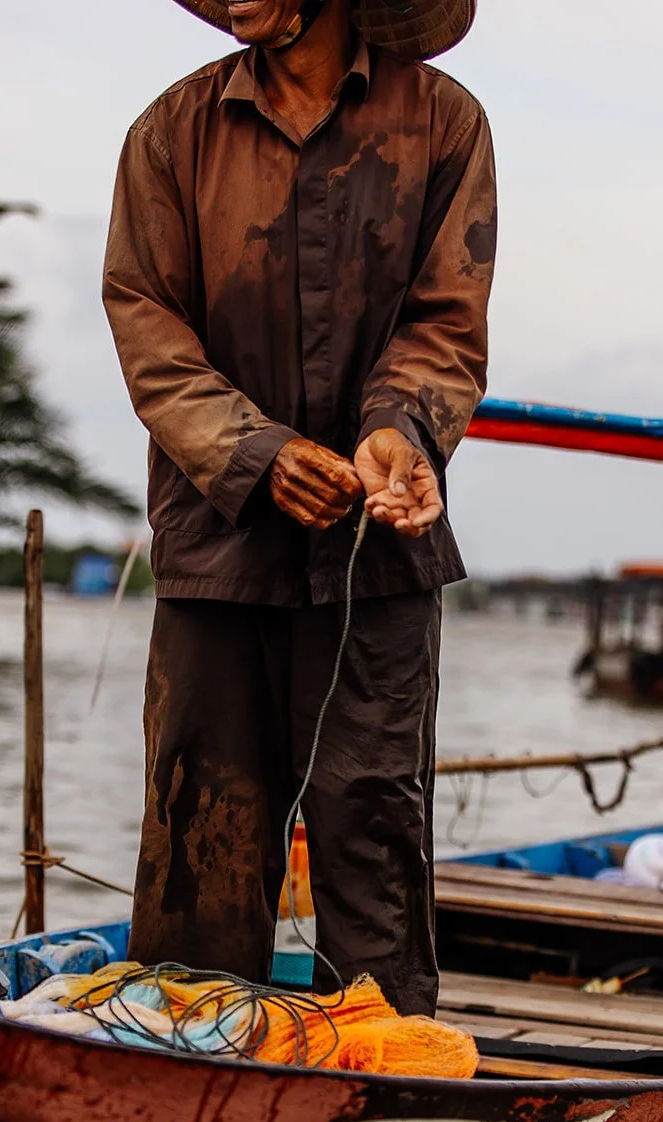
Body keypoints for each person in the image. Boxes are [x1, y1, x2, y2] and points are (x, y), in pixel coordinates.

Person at [103, 0, 495, 1016]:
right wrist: (257, 454)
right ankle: (190, 1080)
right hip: (217, 545)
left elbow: (443, 324)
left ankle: (384, 1095)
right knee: (200, 840)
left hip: (380, 551)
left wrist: (396, 437)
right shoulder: (169, 134)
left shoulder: (443, 123)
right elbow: (149, 330)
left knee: (372, 834)